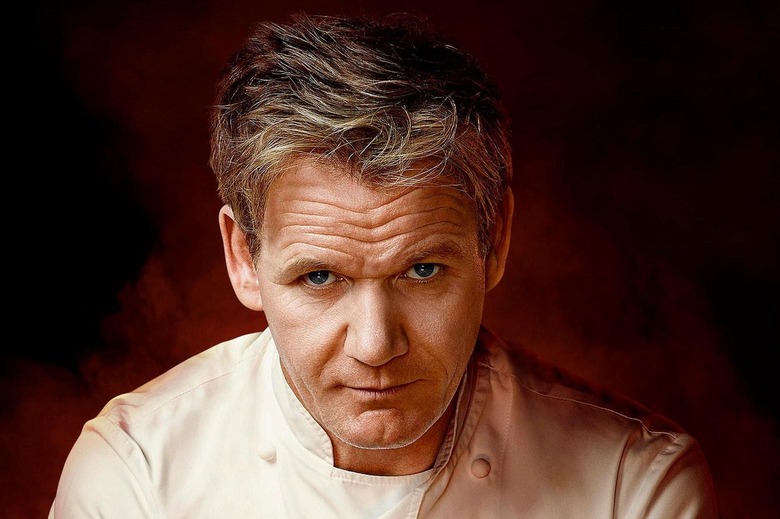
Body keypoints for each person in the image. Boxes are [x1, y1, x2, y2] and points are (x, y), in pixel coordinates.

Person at [48, 12, 719, 518]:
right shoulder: (135, 475)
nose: (375, 345)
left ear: (495, 239)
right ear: (243, 258)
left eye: (421, 271)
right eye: (319, 277)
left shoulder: (633, 488)